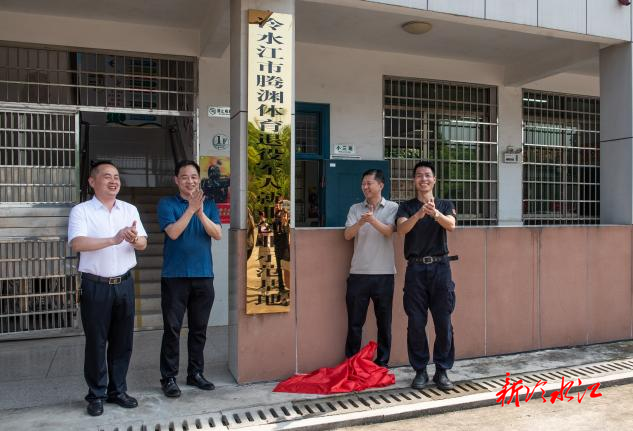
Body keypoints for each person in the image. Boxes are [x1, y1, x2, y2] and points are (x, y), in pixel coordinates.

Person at [68, 160, 148, 417]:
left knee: (123, 342)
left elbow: (144, 243)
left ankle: (118, 390)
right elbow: (78, 244)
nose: (114, 181)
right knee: (96, 342)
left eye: (116, 177)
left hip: (124, 284)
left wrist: (135, 240)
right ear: (92, 182)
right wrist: (114, 239)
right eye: (107, 176)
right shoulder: (81, 211)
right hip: (95, 286)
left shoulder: (129, 209)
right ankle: (96, 394)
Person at [157, 160, 222, 398]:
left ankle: (195, 373)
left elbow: (217, 234)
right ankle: (169, 377)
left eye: (194, 177)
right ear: (177, 180)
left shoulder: (209, 204)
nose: (190, 181)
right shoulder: (167, 204)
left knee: (199, 329)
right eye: (184, 177)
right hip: (175, 277)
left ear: (199, 179)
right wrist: (190, 210)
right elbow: (173, 233)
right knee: (172, 329)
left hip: (203, 275)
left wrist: (201, 212)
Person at [396, 161, 457, 391]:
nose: (423, 179)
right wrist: (420, 214)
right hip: (416, 270)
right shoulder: (406, 207)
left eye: (428, 175)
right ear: (414, 181)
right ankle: (420, 370)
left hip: (440, 269)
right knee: (416, 323)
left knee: (444, 322)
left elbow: (451, 225)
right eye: (419, 175)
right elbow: (401, 230)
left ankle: (442, 371)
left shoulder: (445, 204)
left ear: (434, 180)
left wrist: (435, 213)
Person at [343, 169, 398, 367]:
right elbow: (348, 235)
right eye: (363, 184)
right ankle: (351, 363)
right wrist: (361, 221)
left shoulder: (392, 207)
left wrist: (372, 219)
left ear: (380, 185)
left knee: (384, 323)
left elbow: (389, 231)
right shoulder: (355, 208)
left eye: (369, 183)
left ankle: (382, 362)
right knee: (355, 323)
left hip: (384, 274)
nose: (365, 187)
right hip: (358, 274)